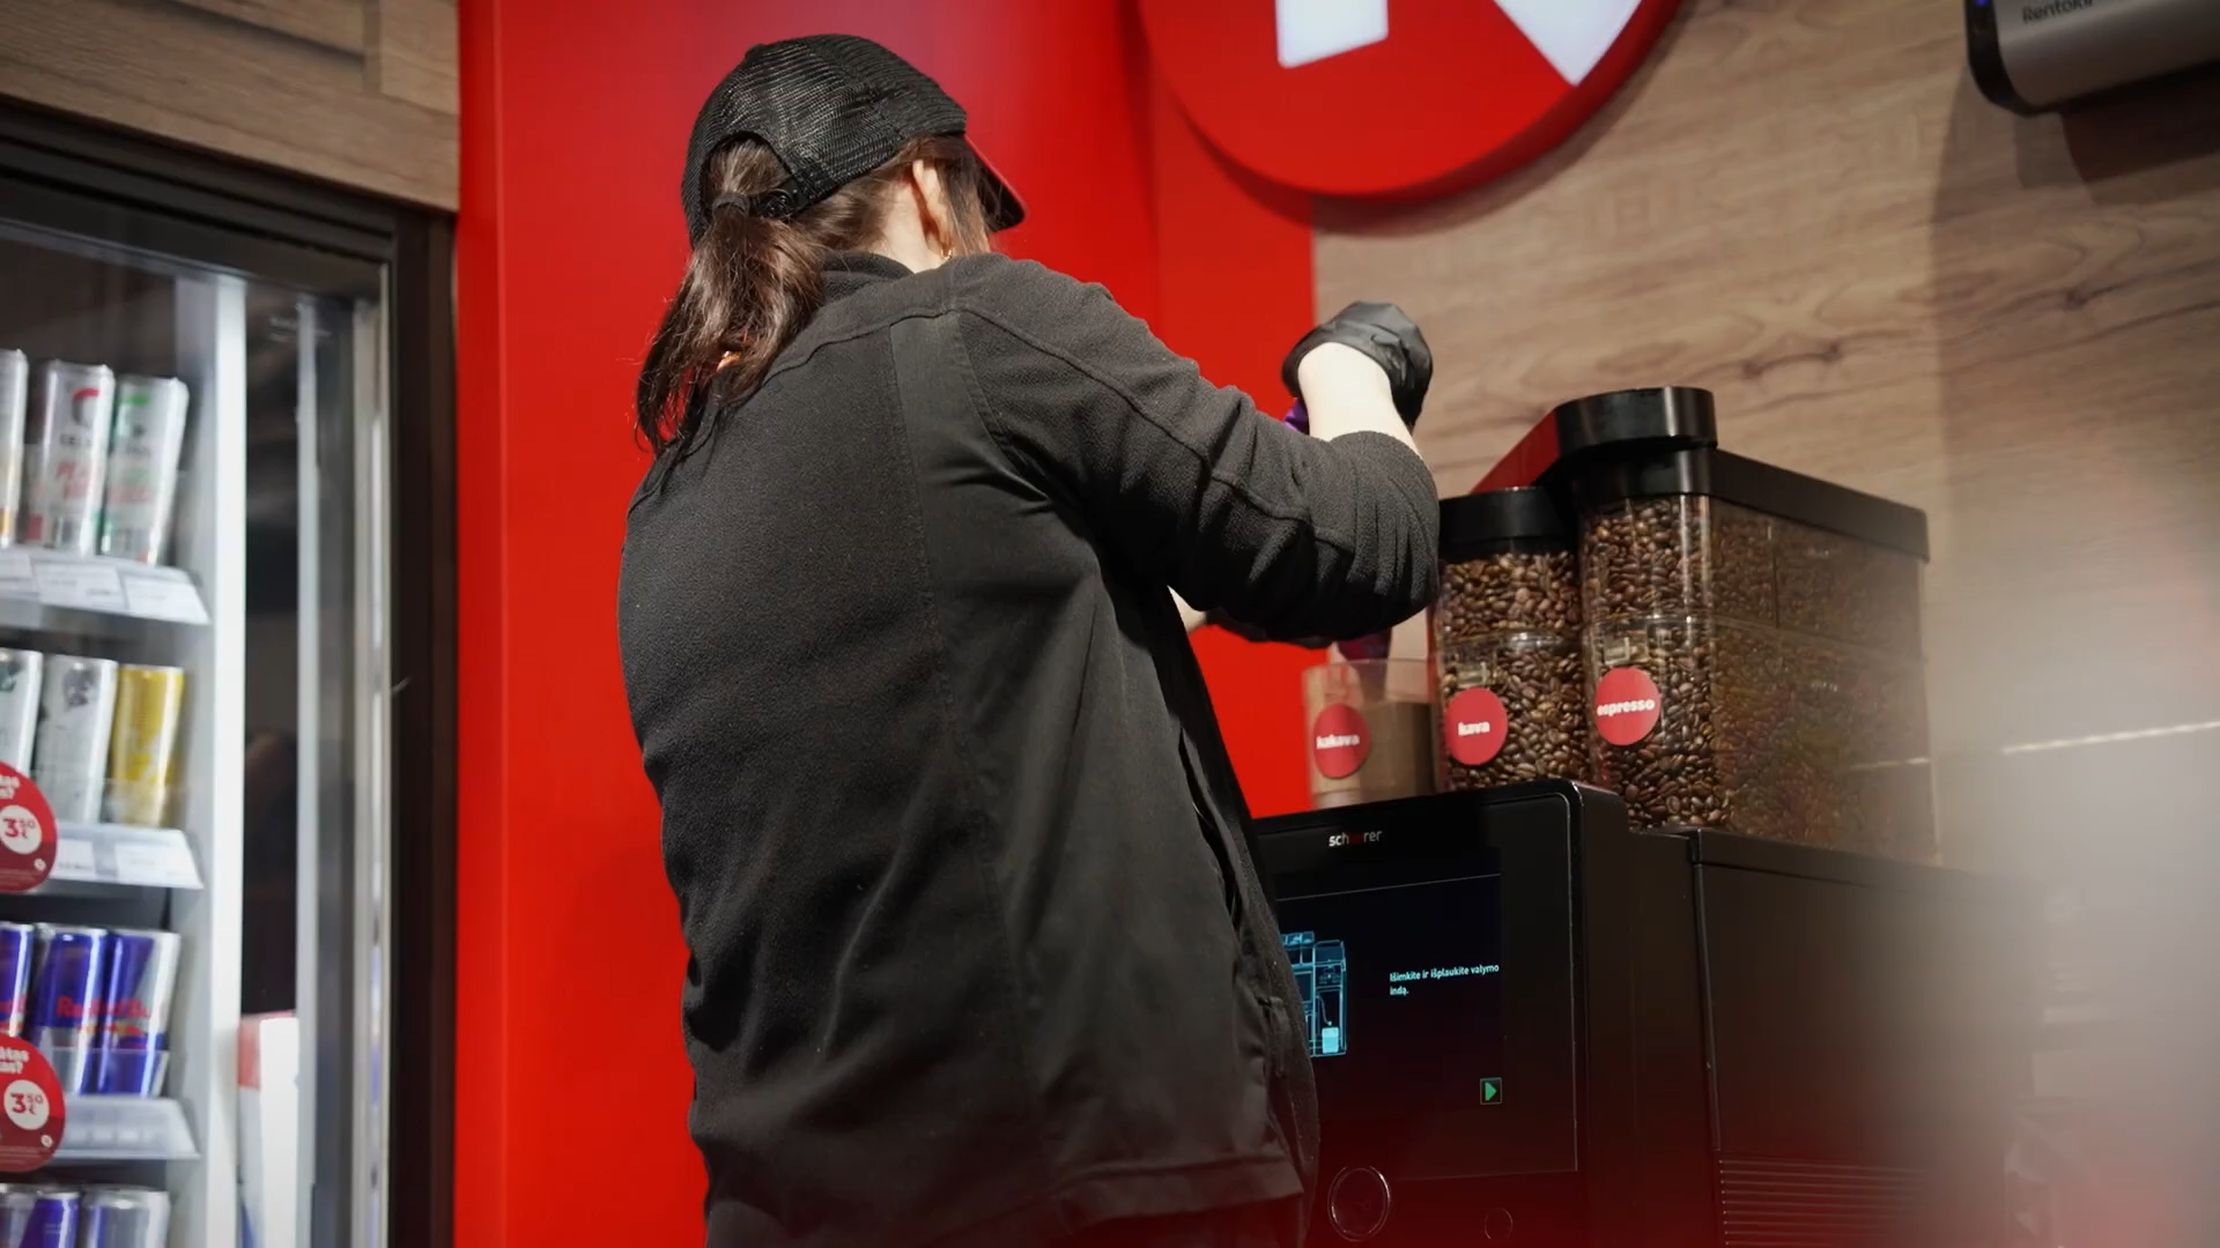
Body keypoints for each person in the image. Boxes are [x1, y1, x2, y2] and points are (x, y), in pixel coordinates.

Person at [619, 34, 1439, 1248]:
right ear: (922, 183)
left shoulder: (671, 500)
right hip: (1091, 1190)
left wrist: (1174, 594)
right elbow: (1365, 546)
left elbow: (957, 668)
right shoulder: (974, 327)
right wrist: (1352, 370)